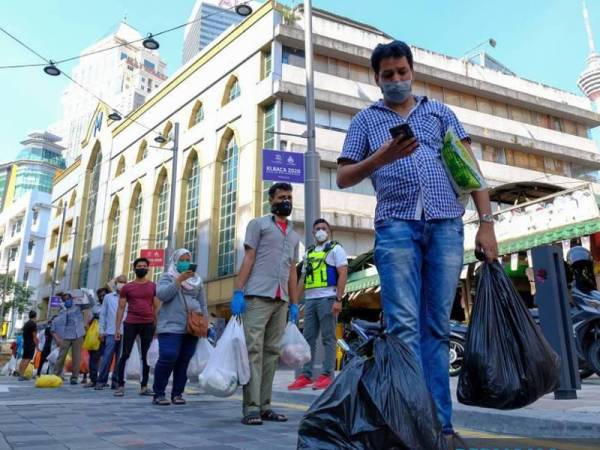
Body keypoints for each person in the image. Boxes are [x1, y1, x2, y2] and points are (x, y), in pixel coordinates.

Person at [336, 40, 498, 449]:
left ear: (412, 71)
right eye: (387, 75)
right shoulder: (365, 121)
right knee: (403, 328)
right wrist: (383, 156)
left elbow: (470, 168)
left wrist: (486, 224)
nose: (396, 80)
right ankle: (409, 424)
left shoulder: (440, 112)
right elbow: (344, 177)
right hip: (396, 229)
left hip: (445, 225)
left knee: (436, 329)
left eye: (402, 72)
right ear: (377, 78)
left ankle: (441, 428)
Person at [231, 182, 301, 426]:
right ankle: (251, 407)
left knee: (272, 353)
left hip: (281, 300)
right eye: (282, 197)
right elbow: (249, 258)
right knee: (253, 351)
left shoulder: (293, 234)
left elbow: (293, 271)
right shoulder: (258, 225)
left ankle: (265, 406)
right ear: (271, 200)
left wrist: (294, 303)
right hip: (257, 295)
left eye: (289, 197)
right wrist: (238, 291)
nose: (286, 201)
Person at [288, 219, 348, 391]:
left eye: (324, 228)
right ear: (313, 233)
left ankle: (326, 375)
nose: (321, 231)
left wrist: (338, 299)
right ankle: (305, 375)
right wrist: (295, 303)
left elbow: (343, 273)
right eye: (317, 229)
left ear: (328, 232)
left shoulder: (336, 249)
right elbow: (302, 279)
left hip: (328, 298)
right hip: (310, 300)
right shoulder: (309, 253)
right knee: (308, 338)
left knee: (328, 338)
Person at [152, 249, 208, 405]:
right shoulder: (167, 277)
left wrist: (205, 322)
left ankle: (177, 393)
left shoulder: (196, 280)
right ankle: (159, 393)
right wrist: (178, 281)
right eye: (182, 259)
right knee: (168, 356)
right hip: (171, 325)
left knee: (184, 360)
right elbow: (162, 295)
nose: (185, 262)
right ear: (175, 261)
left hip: (192, 327)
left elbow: (202, 302)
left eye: (187, 259)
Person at [114, 258, 159, 397]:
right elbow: (121, 308)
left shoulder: (153, 286)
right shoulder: (127, 287)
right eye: (139, 266)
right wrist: (117, 328)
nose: (142, 268)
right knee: (125, 354)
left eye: (144, 266)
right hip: (131, 323)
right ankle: (120, 385)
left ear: (148, 269)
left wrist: (156, 327)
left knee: (146, 356)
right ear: (134, 269)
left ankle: (144, 386)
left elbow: (156, 307)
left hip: (148, 323)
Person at [95, 276, 127, 390]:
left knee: (121, 358)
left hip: (125, 332)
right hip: (110, 331)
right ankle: (101, 380)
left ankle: (116, 381)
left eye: (124, 282)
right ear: (116, 283)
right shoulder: (108, 297)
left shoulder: (129, 297)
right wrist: (101, 331)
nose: (122, 284)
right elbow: (103, 315)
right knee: (107, 357)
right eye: (120, 282)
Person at [52, 292, 86, 384]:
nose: (67, 301)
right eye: (65, 300)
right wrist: (58, 338)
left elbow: (91, 304)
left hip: (78, 334)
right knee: (61, 356)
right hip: (66, 336)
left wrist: (87, 294)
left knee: (76, 357)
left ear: (72, 299)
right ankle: (56, 374)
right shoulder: (62, 311)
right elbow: (56, 325)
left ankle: (74, 377)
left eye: (68, 299)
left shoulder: (78, 307)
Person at [84, 287, 109, 388]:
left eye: (104, 295)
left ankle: (103, 380)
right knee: (93, 357)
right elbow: (90, 299)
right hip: (95, 333)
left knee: (106, 358)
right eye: (100, 295)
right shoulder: (96, 306)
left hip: (108, 334)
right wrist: (86, 292)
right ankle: (93, 380)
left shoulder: (112, 303)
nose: (102, 297)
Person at [18, 310, 38, 381]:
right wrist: (37, 345)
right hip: (30, 344)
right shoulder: (33, 324)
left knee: (23, 359)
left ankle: (20, 374)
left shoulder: (26, 323)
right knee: (27, 359)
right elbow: (34, 336)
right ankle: (21, 375)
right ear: (35, 316)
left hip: (25, 343)